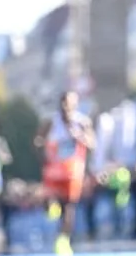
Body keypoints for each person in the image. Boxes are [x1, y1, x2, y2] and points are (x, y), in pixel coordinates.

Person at [35, 91, 95, 256]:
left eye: (69, 104)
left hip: (73, 170)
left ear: (75, 105)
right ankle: (52, 208)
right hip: (54, 169)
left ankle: (63, 240)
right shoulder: (50, 122)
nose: (65, 107)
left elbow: (92, 145)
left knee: (69, 206)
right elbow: (38, 141)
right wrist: (44, 154)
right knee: (50, 201)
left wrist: (80, 137)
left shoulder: (82, 122)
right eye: (63, 103)